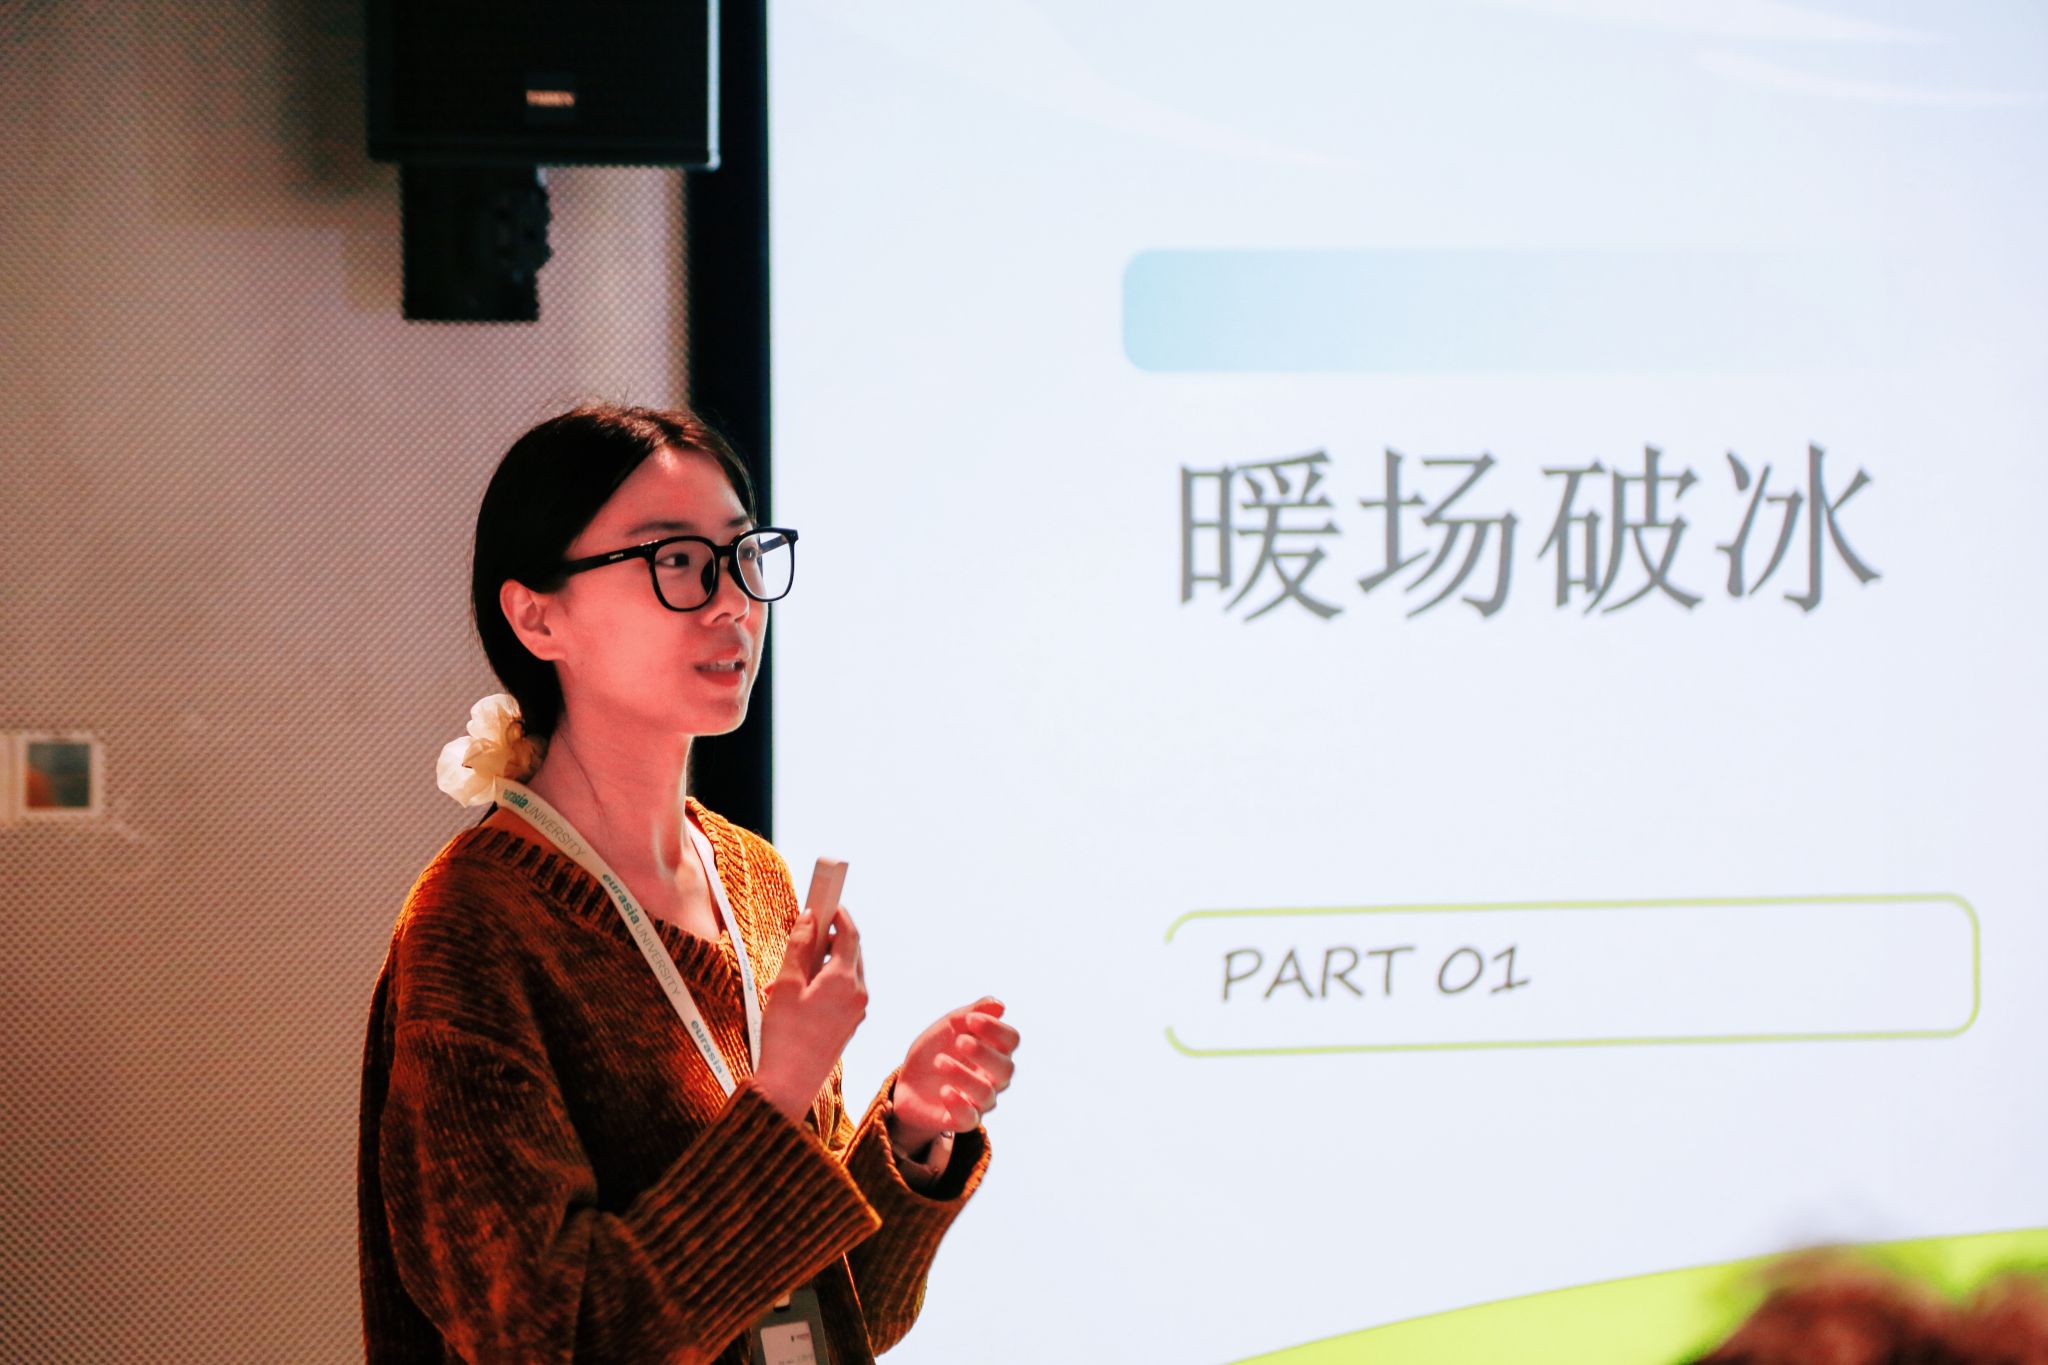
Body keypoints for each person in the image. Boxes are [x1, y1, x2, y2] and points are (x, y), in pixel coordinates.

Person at [357, 403, 1019, 1363]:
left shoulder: (755, 879)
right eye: (675, 560)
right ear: (537, 615)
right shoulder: (476, 926)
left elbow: (814, 1320)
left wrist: (911, 1134)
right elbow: (549, 1337)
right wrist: (780, 1092)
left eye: (744, 555)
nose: (732, 602)